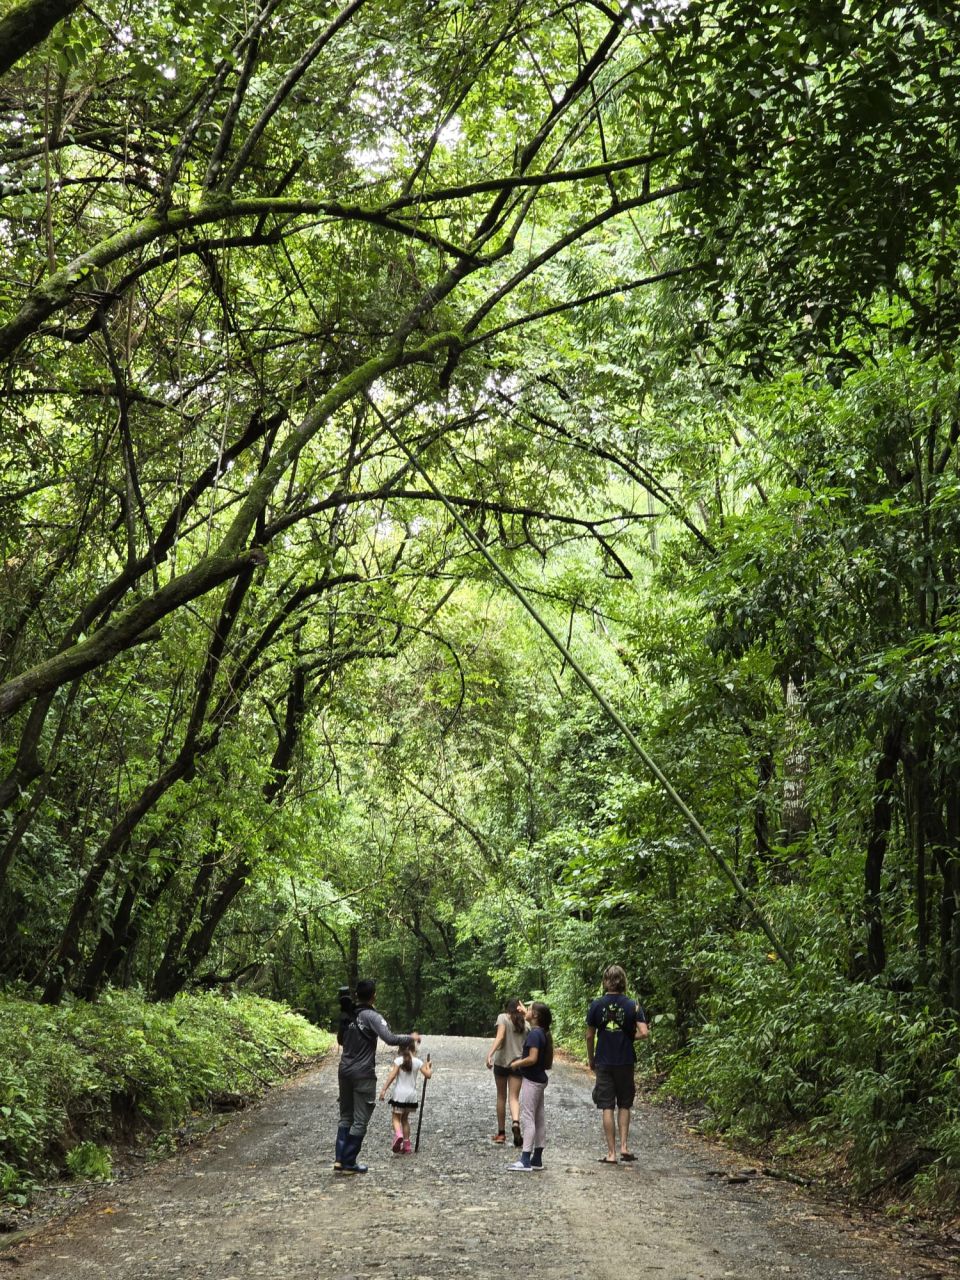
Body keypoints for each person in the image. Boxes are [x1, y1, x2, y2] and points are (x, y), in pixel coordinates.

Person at [335, 978, 421, 1174]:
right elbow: (389, 1038)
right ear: (374, 996)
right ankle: (349, 1162)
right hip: (363, 1073)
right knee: (360, 1118)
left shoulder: (348, 1015)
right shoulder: (372, 1016)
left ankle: (340, 1159)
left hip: (344, 1071)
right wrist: (411, 1038)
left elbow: (340, 1039)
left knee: (345, 1116)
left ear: (357, 995)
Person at [585, 963, 649, 1165]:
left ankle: (611, 1153)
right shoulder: (633, 1005)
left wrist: (591, 1058)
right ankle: (624, 1147)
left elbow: (589, 1035)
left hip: (604, 1059)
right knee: (624, 1104)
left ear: (606, 982)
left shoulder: (596, 1004)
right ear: (623, 982)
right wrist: (630, 1036)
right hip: (625, 1060)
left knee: (606, 1106)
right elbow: (644, 1033)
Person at [507, 1000, 553, 1172]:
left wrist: (517, 1063)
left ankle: (525, 1159)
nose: (526, 1011)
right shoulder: (541, 1032)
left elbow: (532, 1058)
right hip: (540, 1079)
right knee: (539, 1118)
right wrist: (525, 1010)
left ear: (535, 1016)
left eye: (530, 1010)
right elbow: (531, 1017)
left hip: (532, 1080)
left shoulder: (534, 1035)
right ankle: (537, 1158)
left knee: (528, 1117)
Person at [485, 997, 527, 1146]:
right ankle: (516, 1122)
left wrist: (490, 1053)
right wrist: (526, 1013)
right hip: (518, 1063)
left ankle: (501, 1133)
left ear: (506, 1008)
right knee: (514, 1097)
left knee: (501, 1096)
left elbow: (500, 1036)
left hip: (502, 1062)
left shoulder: (502, 1017)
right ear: (519, 1008)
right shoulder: (525, 1023)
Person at [379, 1044, 432, 1153]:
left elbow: (392, 1075)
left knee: (395, 1117)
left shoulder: (399, 1060)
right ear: (414, 1049)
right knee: (404, 1119)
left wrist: (384, 1089)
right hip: (411, 1096)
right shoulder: (418, 1062)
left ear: (401, 1050)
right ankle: (407, 1146)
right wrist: (428, 1067)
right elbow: (428, 1075)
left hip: (399, 1095)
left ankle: (398, 1135)